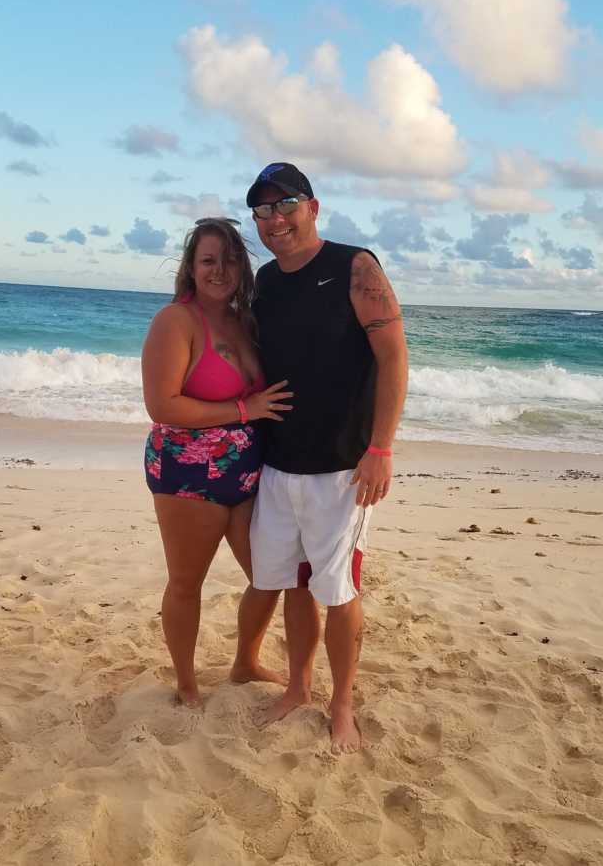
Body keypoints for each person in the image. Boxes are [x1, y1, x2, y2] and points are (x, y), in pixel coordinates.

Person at [246, 163, 409, 752]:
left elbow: (393, 358)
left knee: (338, 591)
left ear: (313, 206)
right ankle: (298, 687)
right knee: (293, 583)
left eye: (285, 204)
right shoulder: (264, 282)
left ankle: (342, 703)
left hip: (343, 467)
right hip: (279, 462)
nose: (275, 219)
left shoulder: (354, 266)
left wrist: (381, 448)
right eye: (263, 211)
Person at [141, 217, 294, 708]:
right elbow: (162, 405)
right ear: (190, 267)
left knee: (270, 574)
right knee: (187, 583)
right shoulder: (175, 321)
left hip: (246, 475)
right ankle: (186, 685)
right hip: (188, 473)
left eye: (229, 260)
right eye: (208, 260)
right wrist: (243, 411)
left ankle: (245, 662)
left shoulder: (244, 321)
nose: (219, 270)